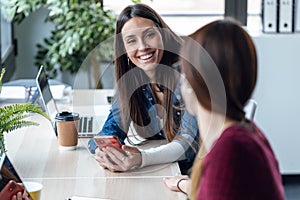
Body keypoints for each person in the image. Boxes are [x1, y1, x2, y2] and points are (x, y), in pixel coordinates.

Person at [164, 18, 285, 199]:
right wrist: (185, 185)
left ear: (194, 82)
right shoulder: (245, 132)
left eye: (183, 70)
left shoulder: (229, 152)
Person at [88, 3, 199, 174]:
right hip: (169, 171)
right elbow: (112, 129)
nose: (142, 47)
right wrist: (104, 151)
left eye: (149, 35)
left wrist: (141, 158)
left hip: (200, 174)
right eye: (131, 40)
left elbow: (188, 145)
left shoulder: (187, 74)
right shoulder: (131, 80)